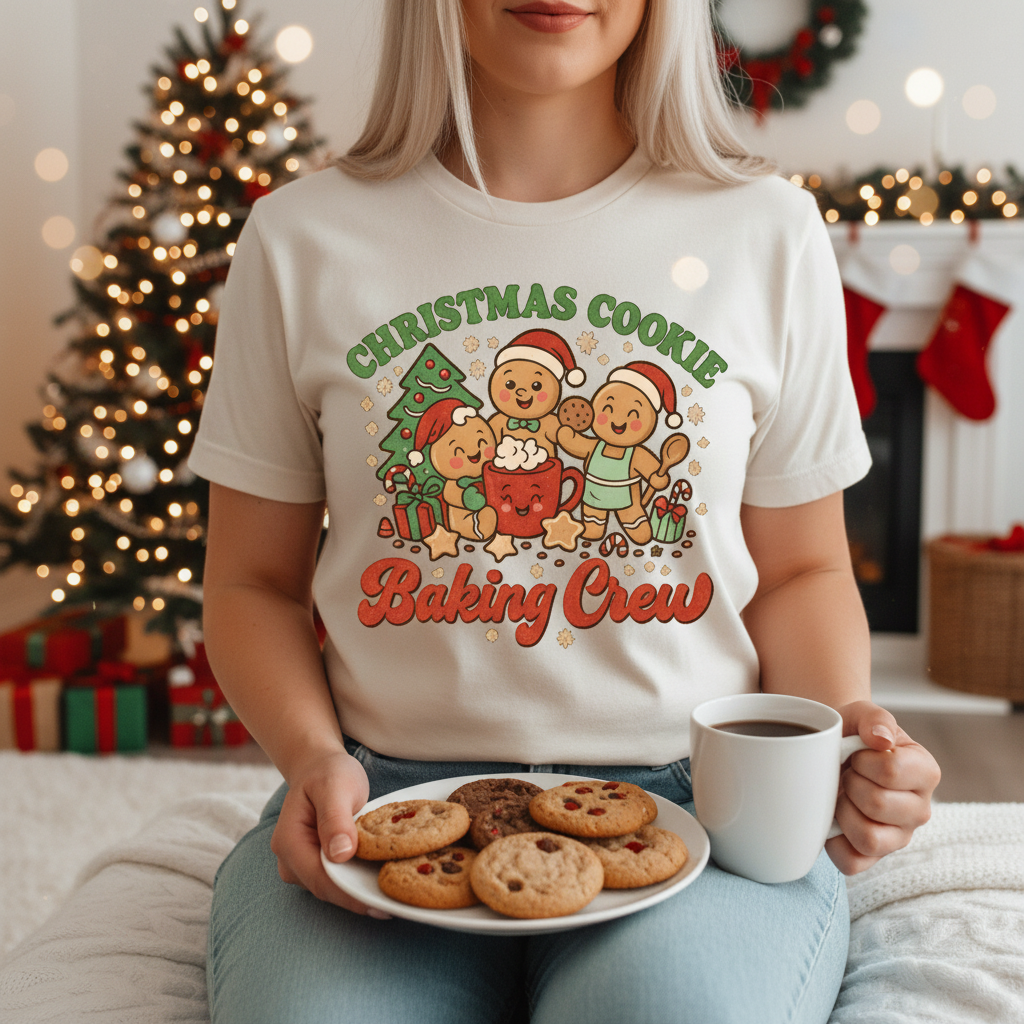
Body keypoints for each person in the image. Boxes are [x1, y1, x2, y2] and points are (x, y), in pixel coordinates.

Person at [190, 2, 941, 1021]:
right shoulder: (299, 238)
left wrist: (831, 743)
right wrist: (314, 759)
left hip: (695, 800)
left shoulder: (765, 230)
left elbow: (805, 569)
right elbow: (250, 582)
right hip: (380, 800)